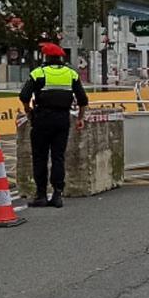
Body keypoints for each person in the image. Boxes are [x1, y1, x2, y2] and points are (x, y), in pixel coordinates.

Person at [19, 43, 88, 208]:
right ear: (61, 58)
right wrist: (80, 118)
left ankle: (41, 195)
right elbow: (83, 100)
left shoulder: (39, 73)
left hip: (42, 118)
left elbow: (24, 95)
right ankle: (57, 195)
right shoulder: (71, 73)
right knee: (58, 157)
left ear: (46, 57)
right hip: (62, 119)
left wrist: (28, 110)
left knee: (40, 157)